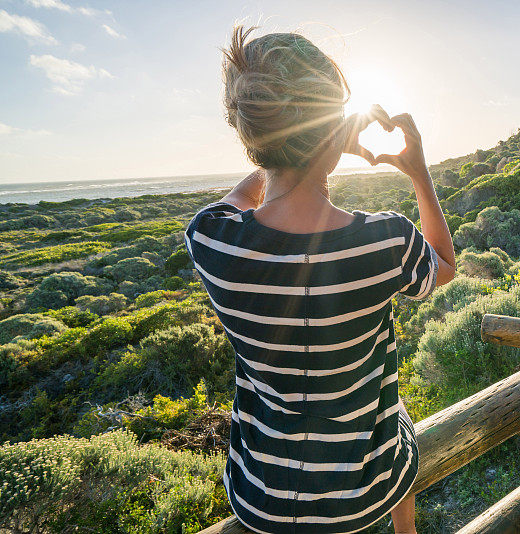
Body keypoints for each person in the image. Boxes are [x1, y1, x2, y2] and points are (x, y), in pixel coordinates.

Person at [184, 27, 455, 534]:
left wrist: (311, 143)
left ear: (250, 138)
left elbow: (243, 198)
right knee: (399, 414)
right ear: (333, 133)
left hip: (258, 495)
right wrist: (418, 172)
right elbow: (443, 261)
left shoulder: (211, 241)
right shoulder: (384, 242)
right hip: (358, 495)